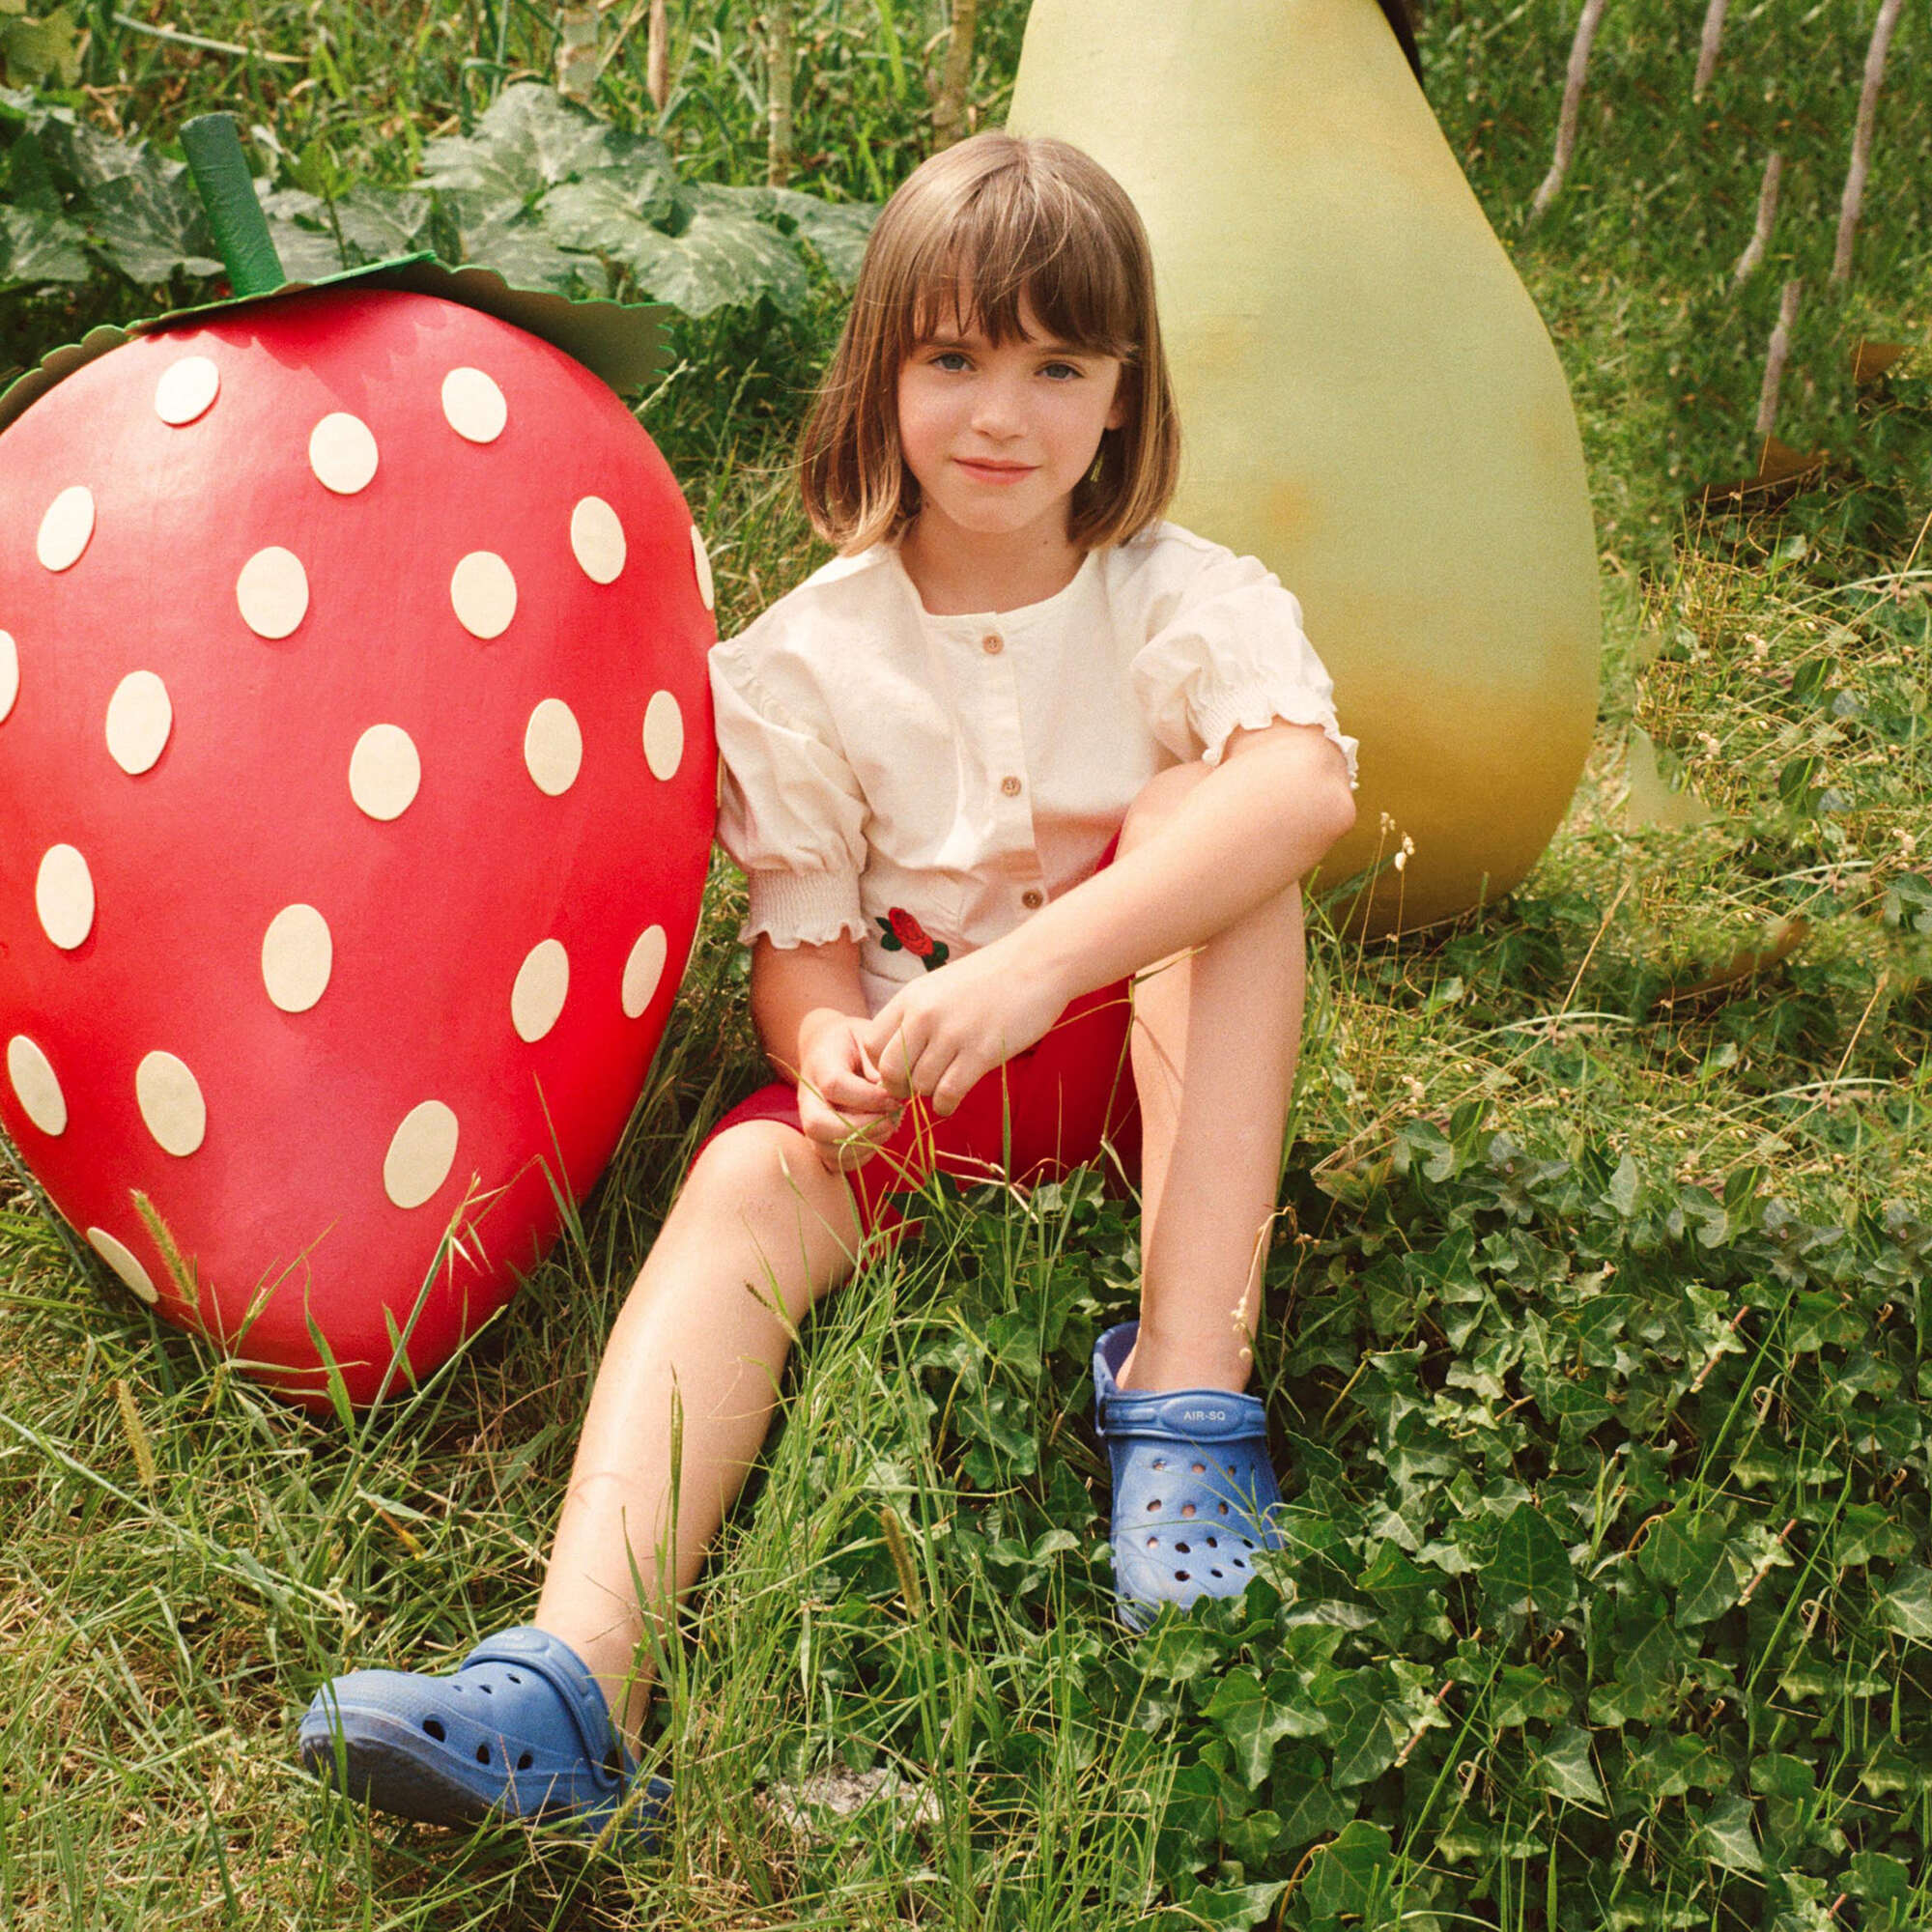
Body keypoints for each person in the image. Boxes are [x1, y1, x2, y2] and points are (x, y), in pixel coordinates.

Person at [298, 129, 1358, 1837]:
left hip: (1150, 1069)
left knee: (1217, 827)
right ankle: (574, 1681)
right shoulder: (806, 661)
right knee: (742, 1174)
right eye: (953, 359)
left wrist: (1040, 970)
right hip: (924, 1104)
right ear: (883, 373)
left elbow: (1308, 793)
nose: (998, 416)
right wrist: (838, 1049)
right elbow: (798, 961)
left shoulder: (1184, 603)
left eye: (1053, 366)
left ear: (1120, 395)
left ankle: (1185, 1393)